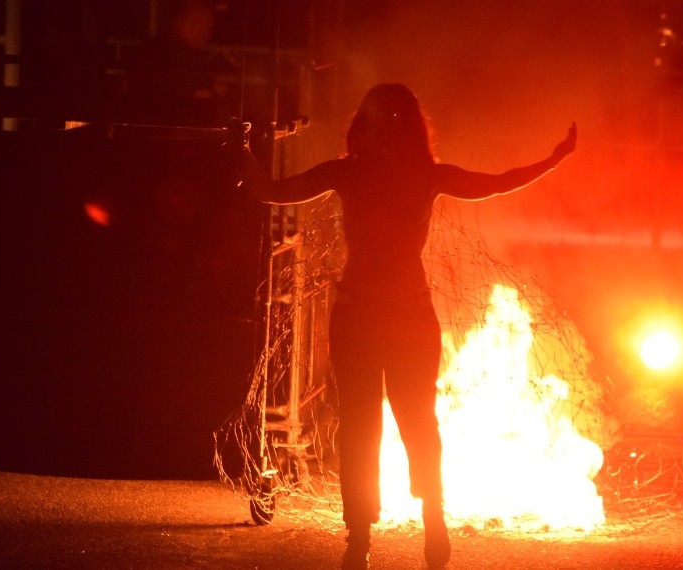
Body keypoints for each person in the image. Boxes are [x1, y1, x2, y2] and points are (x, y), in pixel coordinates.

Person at [239, 83, 576, 569]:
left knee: (365, 425)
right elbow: (499, 181)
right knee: (413, 422)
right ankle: (420, 524)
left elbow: (271, 192)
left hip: (369, 316)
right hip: (400, 316)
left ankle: (362, 538)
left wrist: (242, 150)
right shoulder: (420, 175)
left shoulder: (354, 174)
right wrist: (553, 161)